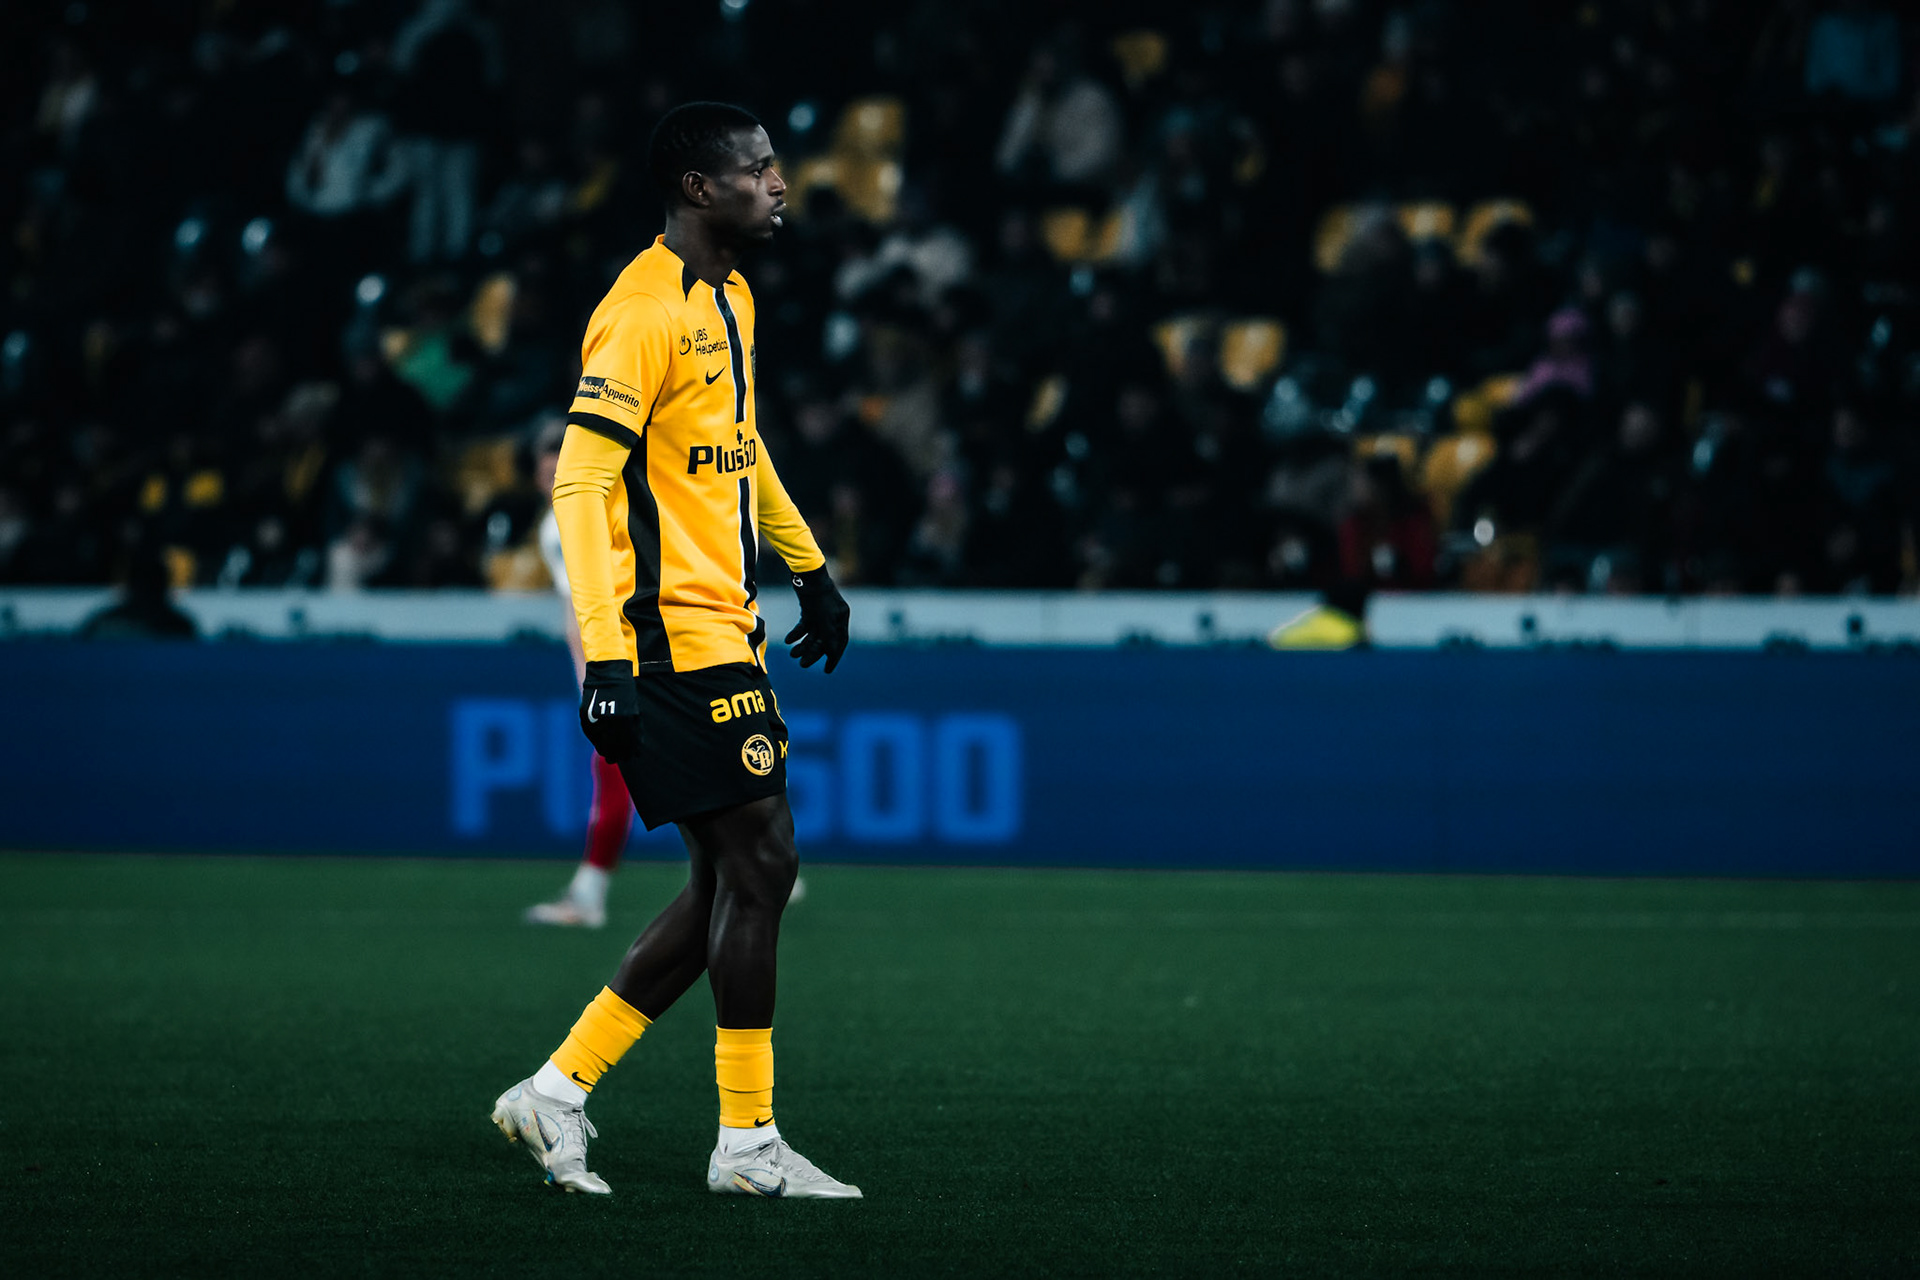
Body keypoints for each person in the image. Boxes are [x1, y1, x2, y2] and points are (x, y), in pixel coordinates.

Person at [490, 102, 857, 1200]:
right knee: (764, 861)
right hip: (665, 638)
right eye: (757, 170)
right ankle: (745, 1141)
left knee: (730, 876)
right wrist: (604, 656)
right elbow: (580, 479)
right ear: (699, 189)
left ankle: (556, 1093)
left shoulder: (732, 296)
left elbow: (737, 453)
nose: (779, 184)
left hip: (724, 624)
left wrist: (810, 567)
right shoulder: (641, 309)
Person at [524, 421, 809, 927]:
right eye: (545, 464)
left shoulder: (577, 515)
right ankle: (759, 861)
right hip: (666, 652)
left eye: (558, 460)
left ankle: (593, 894)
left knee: (631, 775)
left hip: (643, 660)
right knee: (684, 770)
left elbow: (589, 605)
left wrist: (595, 674)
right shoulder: (592, 507)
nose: (552, 471)